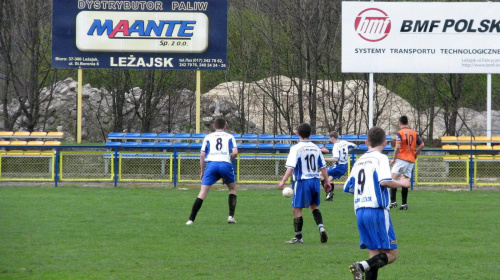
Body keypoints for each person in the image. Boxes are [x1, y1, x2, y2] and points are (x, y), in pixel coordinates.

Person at [343, 126, 411, 280]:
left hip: (360, 211)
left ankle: (364, 266)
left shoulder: (359, 161)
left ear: (367, 142)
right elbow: (385, 181)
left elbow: (348, 187)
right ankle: (360, 266)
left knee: (375, 255)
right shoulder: (380, 158)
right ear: (385, 142)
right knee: (392, 254)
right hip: (377, 210)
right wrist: (402, 183)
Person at [278, 123, 331, 244]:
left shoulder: (295, 148)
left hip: (302, 181)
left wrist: (283, 181)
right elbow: (323, 167)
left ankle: (298, 237)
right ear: (311, 134)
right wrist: (327, 182)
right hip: (315, 181)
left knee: (296, 208)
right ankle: (321, 227)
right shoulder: (316, 148)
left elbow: (290, 168)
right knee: (314, 207)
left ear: (297, 134)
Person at [186, 117, 238, 225]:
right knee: (232, 189)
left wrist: (202, 172)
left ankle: (191, 219)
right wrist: (230, 160)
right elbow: (235, 152)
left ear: (214, 126)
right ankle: (230, 217)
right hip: (225, 164)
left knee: (202, 193)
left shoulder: (208, 137)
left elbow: (202, 155)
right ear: (225, 126)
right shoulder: (230, 137)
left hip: (211, 165)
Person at [389, 116, 424, 210]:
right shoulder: (414, 133)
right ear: (407, 123)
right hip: (411, 160)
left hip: (401, 159)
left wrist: (394, 158)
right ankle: (404, 204)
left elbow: (398, 146)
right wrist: (415, 154)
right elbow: (422, 144)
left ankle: (393, 202)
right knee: (404, 181)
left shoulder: (399, 133)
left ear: (399, 123)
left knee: (392, 179)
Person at [320, 131, 356, 201]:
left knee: (320, 174)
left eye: (329, 138)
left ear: (333, 138)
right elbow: (354, 146)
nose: (329, 140)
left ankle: (329, 192)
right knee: (329, 179)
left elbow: (336, 159)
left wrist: (324, 159)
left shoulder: (336, 146)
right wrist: (347, 151)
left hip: (338, 166)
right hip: (344, 166)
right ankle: (329, 196)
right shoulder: (344, 142)